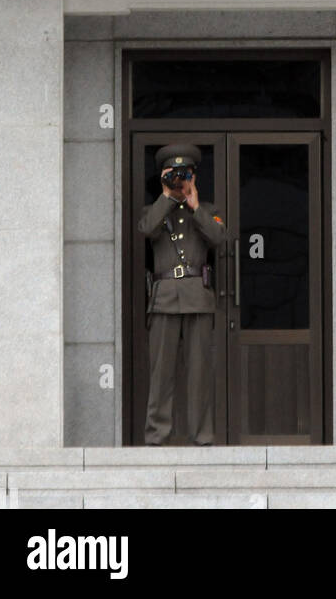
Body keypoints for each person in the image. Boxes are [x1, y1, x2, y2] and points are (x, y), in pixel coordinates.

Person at [138, 143, 227, 445]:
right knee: (160, 374)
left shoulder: (208, 211)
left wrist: (195, 206)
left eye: (183, 174)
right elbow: (147, 230)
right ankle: (156, 435)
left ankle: (201, 436)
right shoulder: (153, 211)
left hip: (197, 299)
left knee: (199, 373)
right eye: (172, 175)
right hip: (163, 299)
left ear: (194, 176)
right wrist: (166, 195)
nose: (178, 180)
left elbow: (218, 238)